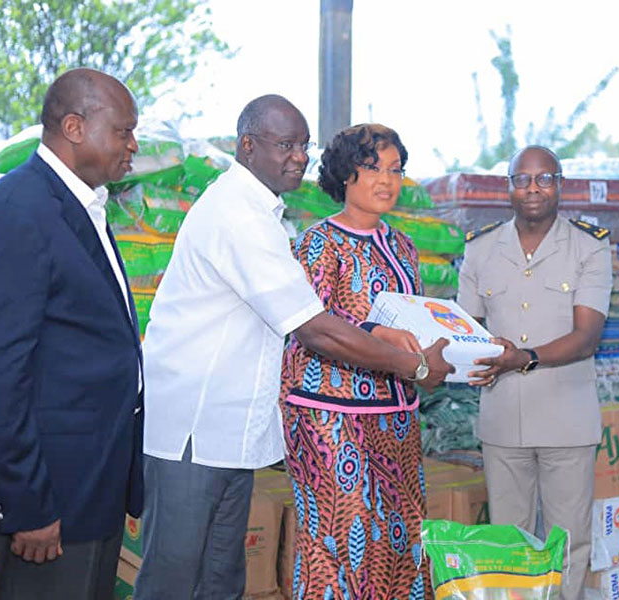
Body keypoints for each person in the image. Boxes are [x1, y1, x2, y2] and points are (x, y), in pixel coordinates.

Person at [134, 98, 451, 599]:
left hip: (230, 429)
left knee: (219, 577)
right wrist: (413, 365)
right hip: (196, 427)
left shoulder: (265, 215)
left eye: (303, 145)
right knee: (175, 575)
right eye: (285, 144)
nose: (298, 156)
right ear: (247, 145)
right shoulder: (239, 215)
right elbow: (314, 330)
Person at [0, 68, 143, 599]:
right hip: (50, 500)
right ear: (74, 127)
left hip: (89, 488)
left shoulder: (82, 204)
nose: (133, 145)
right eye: (123, 131)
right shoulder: (18, 210)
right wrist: (28, 505)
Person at [281, 123, 438, 599]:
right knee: (339, 538)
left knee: (402, 539)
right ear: (345, 174)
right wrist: (376, 333)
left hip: (395, 414)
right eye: (372, 168)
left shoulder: (405, 247)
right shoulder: (318, 243)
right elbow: (310, 327)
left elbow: (418, 325)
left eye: (395, 169)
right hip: (327, 413)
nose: (386, 180)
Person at [457, 145, 612, 600]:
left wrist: (521, 357)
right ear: (508, 187)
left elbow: (586, 337)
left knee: (566, 546)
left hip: (567, 420)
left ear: (560, 185)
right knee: (509, 545)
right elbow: (464, 329)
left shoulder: (589, 246)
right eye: (522, 179)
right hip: (503, 419)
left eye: (544, 179)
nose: (533, 189)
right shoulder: (481, 248)